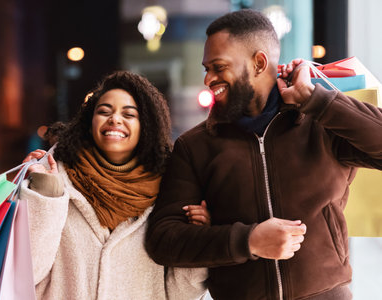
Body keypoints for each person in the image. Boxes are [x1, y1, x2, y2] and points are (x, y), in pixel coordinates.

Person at [145, 9, 382, 300]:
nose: (208, 79)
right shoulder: (195, 146)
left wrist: (315, 100)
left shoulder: (320, 124)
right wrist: (249, 240)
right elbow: (163, 239)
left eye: (218, 67)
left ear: (259, 63)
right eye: (206, 68)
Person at [21, 71, 209, 299]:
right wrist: (45, 195)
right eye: (104, 112)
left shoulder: (168, 194)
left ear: (146, 126)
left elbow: (181, 294)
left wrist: (197, 237)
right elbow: (26, 276)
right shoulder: (55, 180)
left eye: (129, 114)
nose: (115, 120)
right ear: (90, 122)